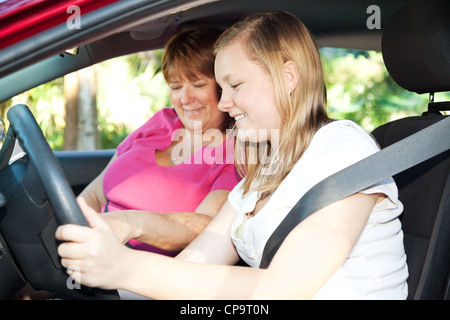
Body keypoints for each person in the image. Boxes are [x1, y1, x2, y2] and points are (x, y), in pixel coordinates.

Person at [56, 11, 409, 299]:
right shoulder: (261, 172)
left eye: (235, 86)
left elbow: (282, 289)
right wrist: (110, 270)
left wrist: (125, 267)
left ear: (287, 77)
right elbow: (196, 264)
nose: (224, 103)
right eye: (221, 88)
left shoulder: (345, 150)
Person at [77, 27, 240, 256]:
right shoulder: (162, 121)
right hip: (92, 243)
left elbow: (206, 226)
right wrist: (74, 224)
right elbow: (94, 194)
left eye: (199, 84)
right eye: (176, 87)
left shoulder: (235, 152)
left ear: (223, 87)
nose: (185, 99)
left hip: (136, 271)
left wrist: (129, 224)